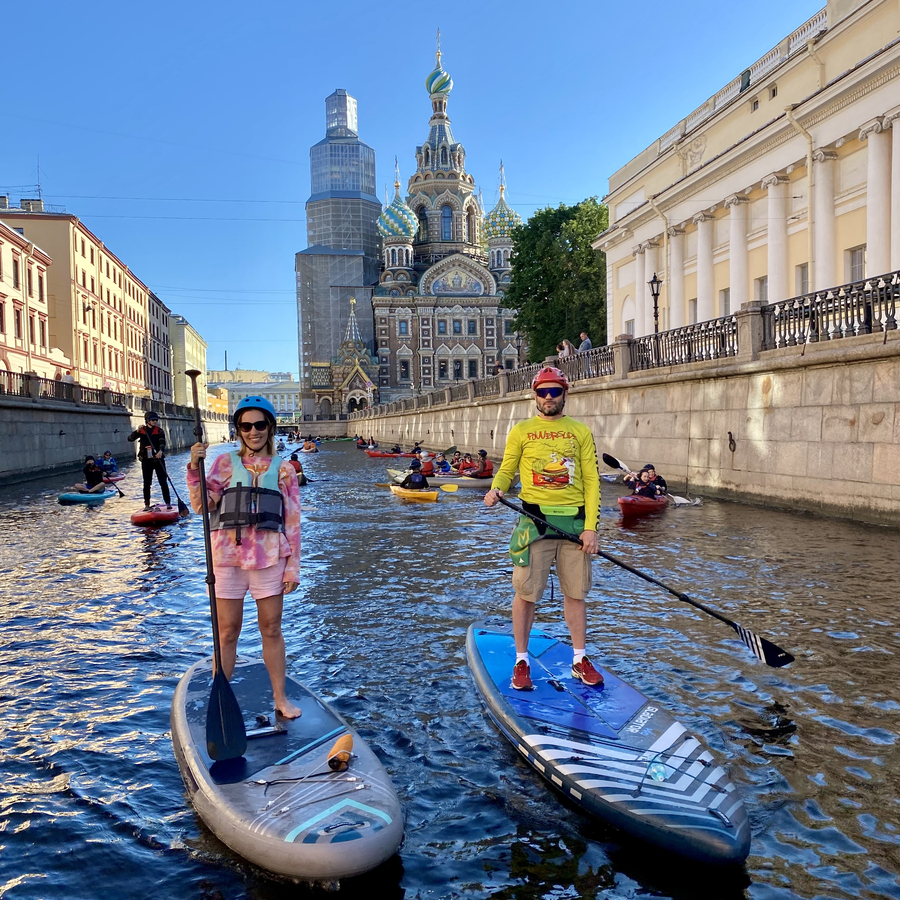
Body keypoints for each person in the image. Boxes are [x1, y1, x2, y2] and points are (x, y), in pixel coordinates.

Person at [484, 365, 602, 691]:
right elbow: (507, 469)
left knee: (575, 594)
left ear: (565, 394)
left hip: (574, 526)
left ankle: (579, 659)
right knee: (525, 594)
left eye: (555, 391)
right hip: (534, 524)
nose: (549, 397)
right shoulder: (521, 431)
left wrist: (591, 528)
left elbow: (592, 482)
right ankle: (521, 661)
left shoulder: (580, 431)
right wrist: (496, 488)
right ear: (535, 395)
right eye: (543, 392)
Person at [187, 395, 302, 719]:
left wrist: (293, 568)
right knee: (227, 631)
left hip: (269, 558)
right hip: (227, 560)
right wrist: (194, 470)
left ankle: (280, 698)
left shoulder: (285, 470)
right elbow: (201, 506)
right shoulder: (224, 464)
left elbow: (293, 522)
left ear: (270, 427)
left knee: (271, 628)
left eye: (260, 425)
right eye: (246, 426)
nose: (254, 432)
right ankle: (220, 700)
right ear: (238, 430)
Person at [128, 411, 172, 511]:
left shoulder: (159, 431)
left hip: (158, 460)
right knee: (147, 483)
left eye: (156, 420)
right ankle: (147, 504)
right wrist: (137, 431)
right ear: (147, 420)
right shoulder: (142, 431)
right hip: (146, 461)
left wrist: (160, 451)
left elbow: (162, 442)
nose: (155, 421)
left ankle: (168, 503)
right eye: (153, 420)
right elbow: (130, 438)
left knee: (163, 482)